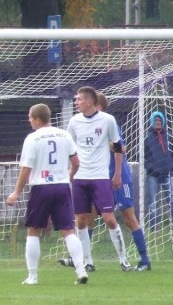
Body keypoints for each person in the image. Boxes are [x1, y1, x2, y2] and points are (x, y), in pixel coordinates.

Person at [60, 93, 152, 271]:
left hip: (117, 178)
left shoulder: (109, 123)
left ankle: (144, 260)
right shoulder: (79, 123)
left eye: (80, 100)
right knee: (87, 218)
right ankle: (84, 260)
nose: (77, 103)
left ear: (97, 106)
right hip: (93, 177)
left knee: (127, 218)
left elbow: (121, 148)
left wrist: (114, 163)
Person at [6, 103, 88, 285]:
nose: (28, 120)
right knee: (68, 231)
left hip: (41, 188)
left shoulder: (32, 139)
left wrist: (16, 192)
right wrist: (69, 177)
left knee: (33, 231)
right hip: (62, 187)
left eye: (30, 117)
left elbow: (26, 169)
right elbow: (76, 162)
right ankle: (81, 270)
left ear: (37, 119)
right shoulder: (64, 135)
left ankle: (33, 276)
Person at [144, 110, 173, 233]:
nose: (158, 123)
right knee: (152, 202)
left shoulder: (169, 137)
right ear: (152, 122)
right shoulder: (147, 139)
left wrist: (172, 166)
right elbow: (144, 158)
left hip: (168, 175)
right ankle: (153, 227)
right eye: (156, 121)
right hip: (153, 175)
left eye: (160, 121)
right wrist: (151, 168)